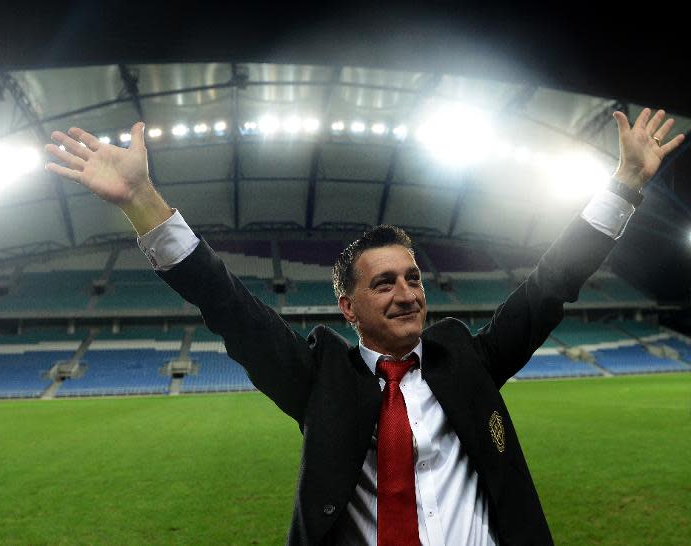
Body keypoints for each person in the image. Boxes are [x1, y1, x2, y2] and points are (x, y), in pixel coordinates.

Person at [45, 108, 683, 545]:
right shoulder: (316, 377)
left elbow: (551, 286)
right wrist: (141, 202)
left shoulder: (468, 359)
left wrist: (624, 184)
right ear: (347, 307)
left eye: (412, 278)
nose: (407, 294)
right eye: (384, 283)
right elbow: (227, 304)